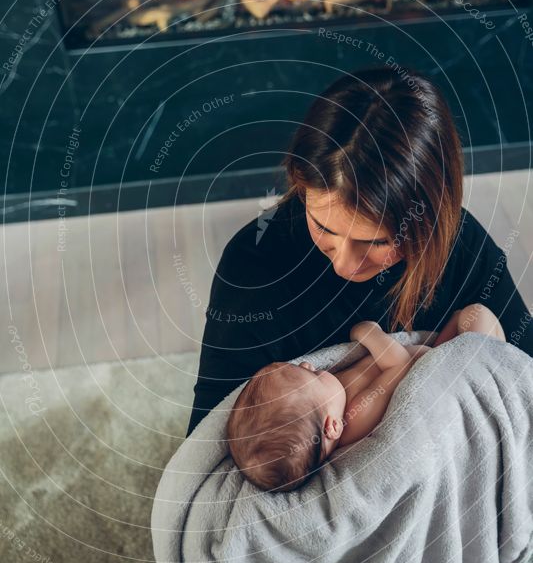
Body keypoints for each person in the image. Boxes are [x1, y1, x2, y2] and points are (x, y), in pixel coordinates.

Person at [186, 65, 533, 437]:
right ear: (300, 185)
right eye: (323, 227)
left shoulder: (462, 249)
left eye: (376, 242)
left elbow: (523, 382)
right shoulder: (253, 268)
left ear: (428, 221)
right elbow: (210, 436)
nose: (343, 263)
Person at [226, 304, 505, 493]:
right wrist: (368, 332)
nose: (309, 365)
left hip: (436, 354)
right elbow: (400, 365)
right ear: (331, 427)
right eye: (309, 375)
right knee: (477, 316)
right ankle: (505, 377)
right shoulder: (355, 416)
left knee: (462, 317)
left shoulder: (332, 399)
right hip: (451, 376)